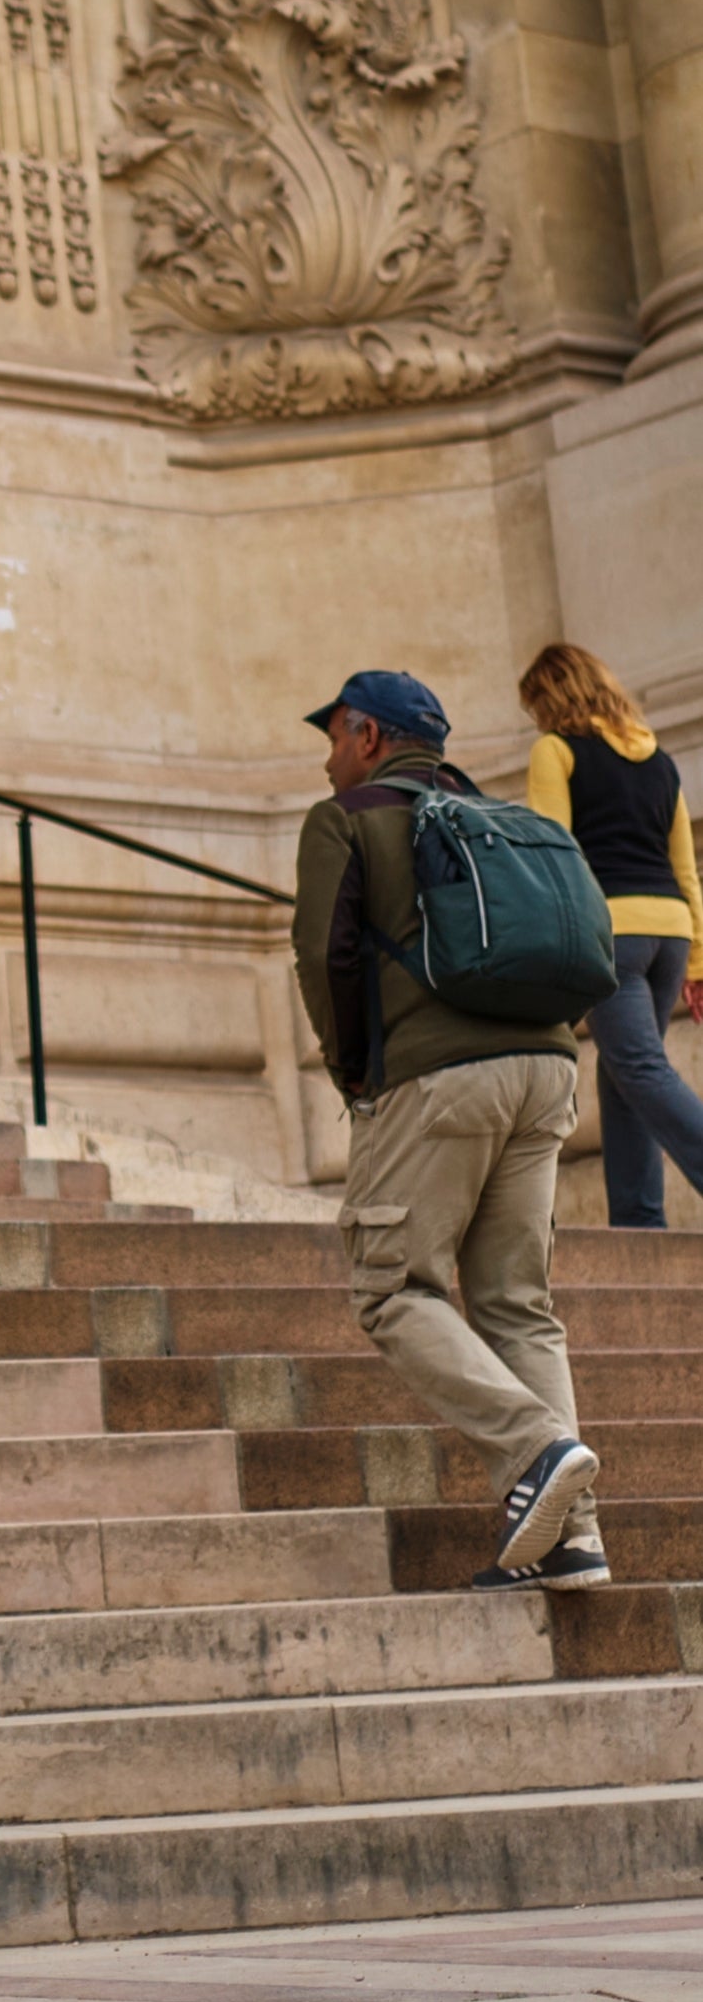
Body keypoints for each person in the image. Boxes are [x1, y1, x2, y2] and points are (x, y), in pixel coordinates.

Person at [292, 668, 606, 1587]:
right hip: (548, 1072)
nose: (325, 759)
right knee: (517, 1306)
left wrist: (357, 1077)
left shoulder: (345, 819)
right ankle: (572, 1539)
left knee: (392, 1290)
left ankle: (537, 1452)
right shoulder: (502, 820)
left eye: (333, 738)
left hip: (436, 1081)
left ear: (366, 735)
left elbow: (325, 955)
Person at [520, 641, 703, 1231]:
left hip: (611, 933)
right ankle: (639, 1223)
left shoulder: (555, 751)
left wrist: (553, 950)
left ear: (550, 698)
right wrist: (698, 961)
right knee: (623, 1075)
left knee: (641, 1067)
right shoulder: (661, 764)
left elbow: (555, 857)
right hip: (669, 935)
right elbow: (686, 872)